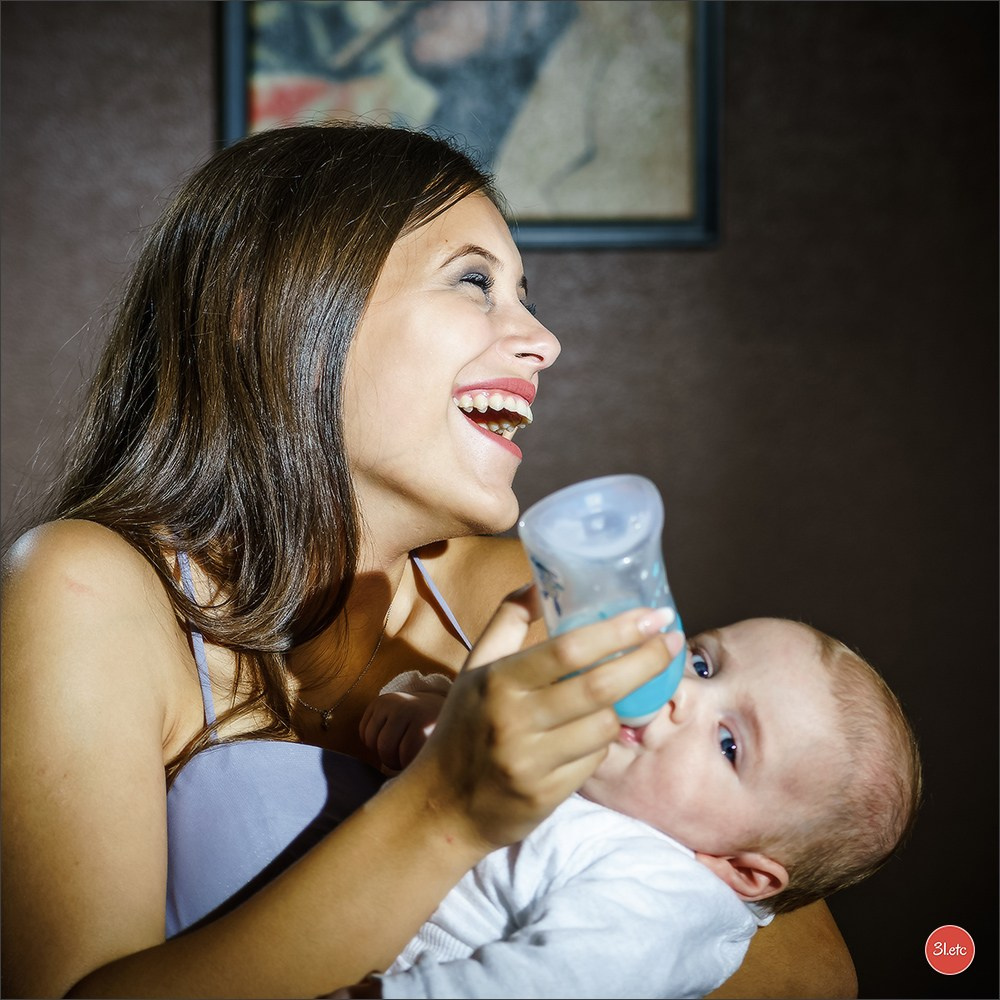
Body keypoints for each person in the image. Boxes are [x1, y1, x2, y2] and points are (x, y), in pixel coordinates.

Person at [0, 121, 855, 999]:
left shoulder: (516, 588)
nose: (544, 341)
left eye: (526, 293)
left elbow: (804, 969)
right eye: (475, 281)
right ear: (263, 313)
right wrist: (449, 807)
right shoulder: (85, 588)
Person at [344, 617, 922, 999]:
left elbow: (549, 985)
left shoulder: (666, 895)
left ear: (739, 869)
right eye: (701, 664)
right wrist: (425, 706)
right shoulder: (595, 749)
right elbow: (477, 721)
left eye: (729, 745)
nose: (679, 694)